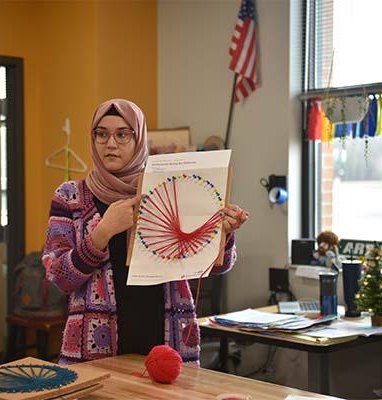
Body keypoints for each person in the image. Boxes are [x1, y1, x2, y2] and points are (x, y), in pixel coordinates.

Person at [42, 99, 249, 365]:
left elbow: (215, 268)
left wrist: (224, 233)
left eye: (123, 134)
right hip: (95, 351)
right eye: (101, 134)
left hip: (166, 341)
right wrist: (101, 233)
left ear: (139, 139)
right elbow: (58, 276)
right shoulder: (71, 196)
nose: (111, 143)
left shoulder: (168, 190)